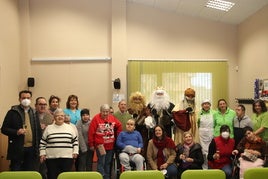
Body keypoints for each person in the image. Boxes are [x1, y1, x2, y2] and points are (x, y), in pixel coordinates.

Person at [1, 90, 42, 171]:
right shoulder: (12, 112)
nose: (26, 100)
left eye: (28, 98)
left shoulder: (34, 112)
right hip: (17, 148)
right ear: (19, 99)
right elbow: (4, 129)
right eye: (23, 98)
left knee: (30, 172)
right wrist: (16, 132)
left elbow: (38, 131)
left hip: (32, 149)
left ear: (31, 99)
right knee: (16, 171)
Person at [39, 108, 78, 179]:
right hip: (51, 158)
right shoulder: (48, 128)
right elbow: (43, 142)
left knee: (65, 177)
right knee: (52, 176)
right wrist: (42, 153)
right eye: (57, 116)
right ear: (54, 117)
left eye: (62, 116)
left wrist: (75, 151)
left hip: (67, 158)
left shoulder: (70, 128)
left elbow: (75, 141)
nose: (60, 117)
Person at [88, 104, 122, 179]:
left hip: (110, 145)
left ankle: (107, 177)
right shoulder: (96, 118)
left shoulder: (112, 118)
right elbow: (91, 132)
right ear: (100, 111)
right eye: (104, 112)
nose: (105, 113)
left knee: (108, 163)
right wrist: (91, 144)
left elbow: (119, 125)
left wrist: (117, 136)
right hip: (100, 145)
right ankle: (101, 177)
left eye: (107, 112)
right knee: (101, 163)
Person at [35, 97, 54, 179]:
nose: (43, 106)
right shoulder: (31, 115)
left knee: (46, 170)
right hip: (34, 147)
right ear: (35, 105)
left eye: (44, 104)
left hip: (48, 147)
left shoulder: (50, 117)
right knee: (35, 169)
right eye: (40, 104)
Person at [128, 91, 149, 158]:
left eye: (139, 99)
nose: (137, 101)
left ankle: (142, 160)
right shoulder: (130, 110)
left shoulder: (146, 109)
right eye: (135, 99)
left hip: (143, 132)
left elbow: (150, 120)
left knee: (143, 146)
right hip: (132, 132)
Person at [197, 99, 214, 169]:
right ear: (202, 105)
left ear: (210, 105)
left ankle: (210, 166)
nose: (206, 105)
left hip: (211, 133)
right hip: (202, 134)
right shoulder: (198, 113)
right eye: (204, 104)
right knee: (203, 151)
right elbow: (197, 124)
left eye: (207, 104)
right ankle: (204, 167)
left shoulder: (214, 113)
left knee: (211, 150)